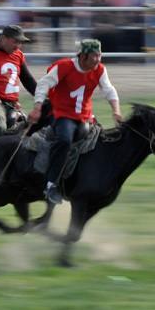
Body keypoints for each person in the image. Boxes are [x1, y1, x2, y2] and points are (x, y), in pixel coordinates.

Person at [28, 39, 123, 204]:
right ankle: (51, 184)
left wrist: (116, 110)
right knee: (65, 140)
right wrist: (37, 107)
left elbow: (108, 89)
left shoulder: (99, 69)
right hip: (63, 115)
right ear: (83, 56)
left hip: (85, 116)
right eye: (95, 56)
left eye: (100, 55)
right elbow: (44, 84)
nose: (98, 59)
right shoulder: (65, 66)